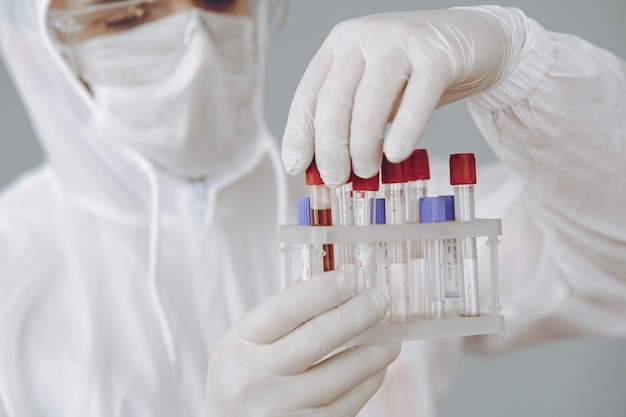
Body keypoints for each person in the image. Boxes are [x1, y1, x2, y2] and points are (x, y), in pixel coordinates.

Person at [0, 0, 624, 416]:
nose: (192, 33)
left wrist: (521, 68)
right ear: (36, 41)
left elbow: (612, 269)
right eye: (129, 14)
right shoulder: (15, 270)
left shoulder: (377, 214)